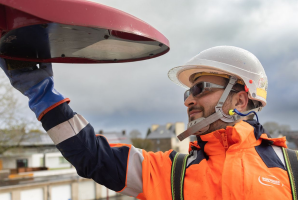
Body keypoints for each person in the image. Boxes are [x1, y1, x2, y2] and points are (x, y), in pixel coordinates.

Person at [0, 46, 292, 200]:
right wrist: (42, 94)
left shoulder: (292, 169)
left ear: (241, 101)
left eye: (201, 88)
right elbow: (93, 158)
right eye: (188, 92)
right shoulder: (172, 172)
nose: (189, 100)